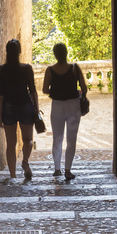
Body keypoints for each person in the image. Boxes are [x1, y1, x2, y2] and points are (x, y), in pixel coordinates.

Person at [0, 38, 39, 183]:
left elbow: (0, 96)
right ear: (20, 51)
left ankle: (13, 175)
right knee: (28, 140)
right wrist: (37, 110)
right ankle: (25, 161)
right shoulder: (27, 69)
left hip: (8, 107)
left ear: (6, 52)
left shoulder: (1, 70)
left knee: (11, 143)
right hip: (26, 105)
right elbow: (33, 92)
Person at [43, 42, 88, 181]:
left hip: (57, 106)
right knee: (71, 138)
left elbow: (45, 90)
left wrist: (56, 91)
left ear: (55, 54)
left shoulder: (50, 70)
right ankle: (68, 170)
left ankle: (57, 169)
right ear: (66, 53)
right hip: (73, 106)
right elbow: (84, 87)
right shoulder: (74, 68)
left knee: (57, 137)